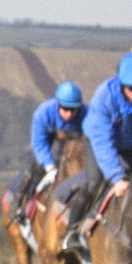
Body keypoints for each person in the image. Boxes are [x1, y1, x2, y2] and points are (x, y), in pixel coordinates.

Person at [57, 49, 132, 246]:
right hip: (99, 142)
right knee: (94, 183)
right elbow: (103, 141)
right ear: (122, 84)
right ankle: (71, 232)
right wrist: (116, 178)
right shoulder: (105, 96)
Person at [11, 80, 85, 212]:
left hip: (75, 143)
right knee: (36, 166)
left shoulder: (87, 114)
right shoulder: (43, 113)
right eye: (65, 109)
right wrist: (49, 167)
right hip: (49, 141)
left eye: (73, 110)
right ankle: (18, 200)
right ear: (58, 104)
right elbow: (38, 143)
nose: (69, 114)